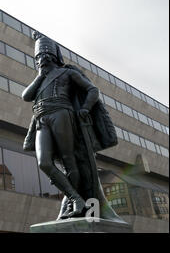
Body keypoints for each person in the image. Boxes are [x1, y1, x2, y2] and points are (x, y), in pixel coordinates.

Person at [22, 32, 121, 220]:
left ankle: (75, 202)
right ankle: (75, 198)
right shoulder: (41, 79)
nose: (39, 60)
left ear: (51, 56)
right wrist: (39, 76)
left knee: (69, 161)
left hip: (62, 113)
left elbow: (93, 90)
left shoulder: (68, 73)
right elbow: (26, 96)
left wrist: (85, 108)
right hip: (41, 119)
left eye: (41, 56)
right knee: (44, 162)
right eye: (36, 58)